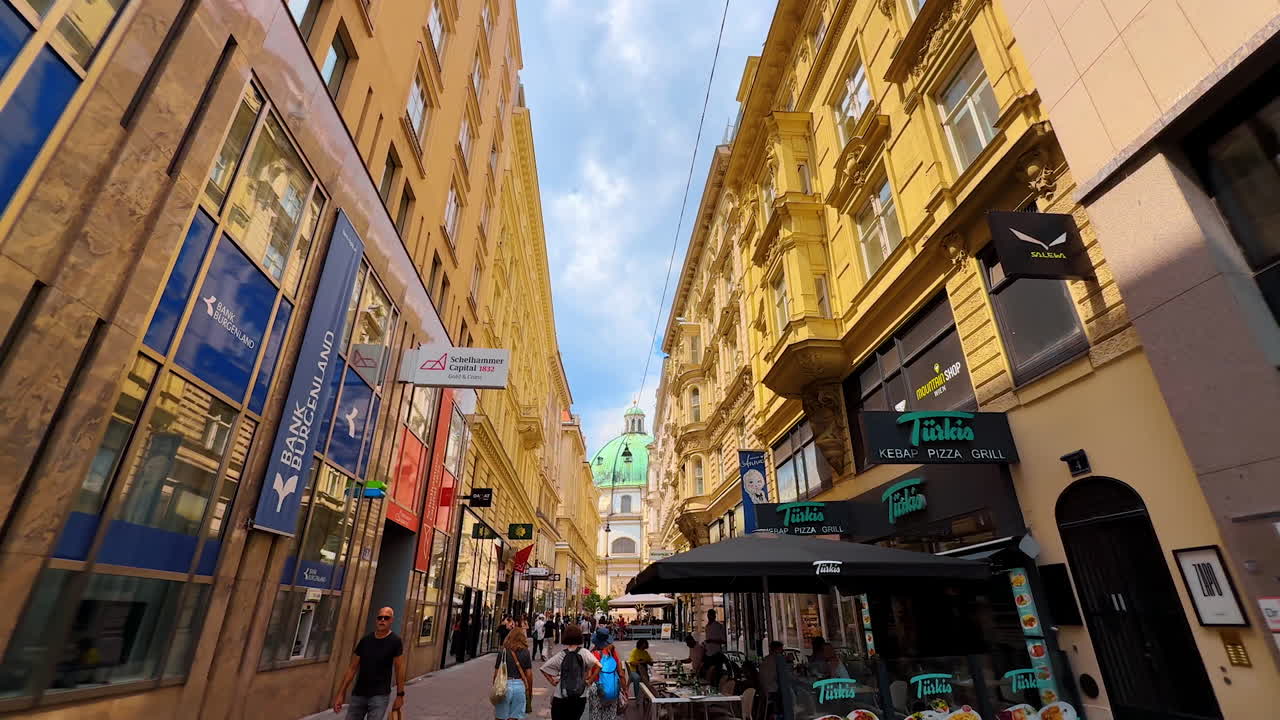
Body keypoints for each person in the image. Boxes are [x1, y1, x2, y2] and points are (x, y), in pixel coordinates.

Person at [333, 606, 405, 719]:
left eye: (386, 618)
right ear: (376, 620)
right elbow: (352, 668)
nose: (382, 620)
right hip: (359, 694)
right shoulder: (365, 640)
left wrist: (400, 696)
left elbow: (399, 669)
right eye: (380, 617)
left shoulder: (395, 641)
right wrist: (341, 693)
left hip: (379, 696)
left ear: (391, 620)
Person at [541, 625, 600, 720]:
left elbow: (543, 668)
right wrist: (590, 681)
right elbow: (599, 666)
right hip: (580, 695)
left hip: (561, 696)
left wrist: (552, 681)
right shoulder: (584, 652)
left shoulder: (561, 654)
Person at [494, 626, 534, 720]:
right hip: (519, 686)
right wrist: (529, 690)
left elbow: (496, 673)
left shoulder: (502, 652)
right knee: (515, 717)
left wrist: (495, 687)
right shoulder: (525, 652)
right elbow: (529, 674)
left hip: (504, 686)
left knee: (500, 717)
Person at [588, 628, 627, 720]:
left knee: (595, 714)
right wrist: (624, 689)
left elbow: (588, 676)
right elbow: (621, 673)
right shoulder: (612, 653)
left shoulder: (591, 654)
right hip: (612, 687)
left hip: (596, 688)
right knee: (610, 715)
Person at [759, 641, 790, 720]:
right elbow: (782, 676)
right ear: (777, 649)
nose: (782, 652)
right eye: (781, 650)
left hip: (764, 690)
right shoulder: (777, 660)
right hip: (772, 691)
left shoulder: (766, 659)